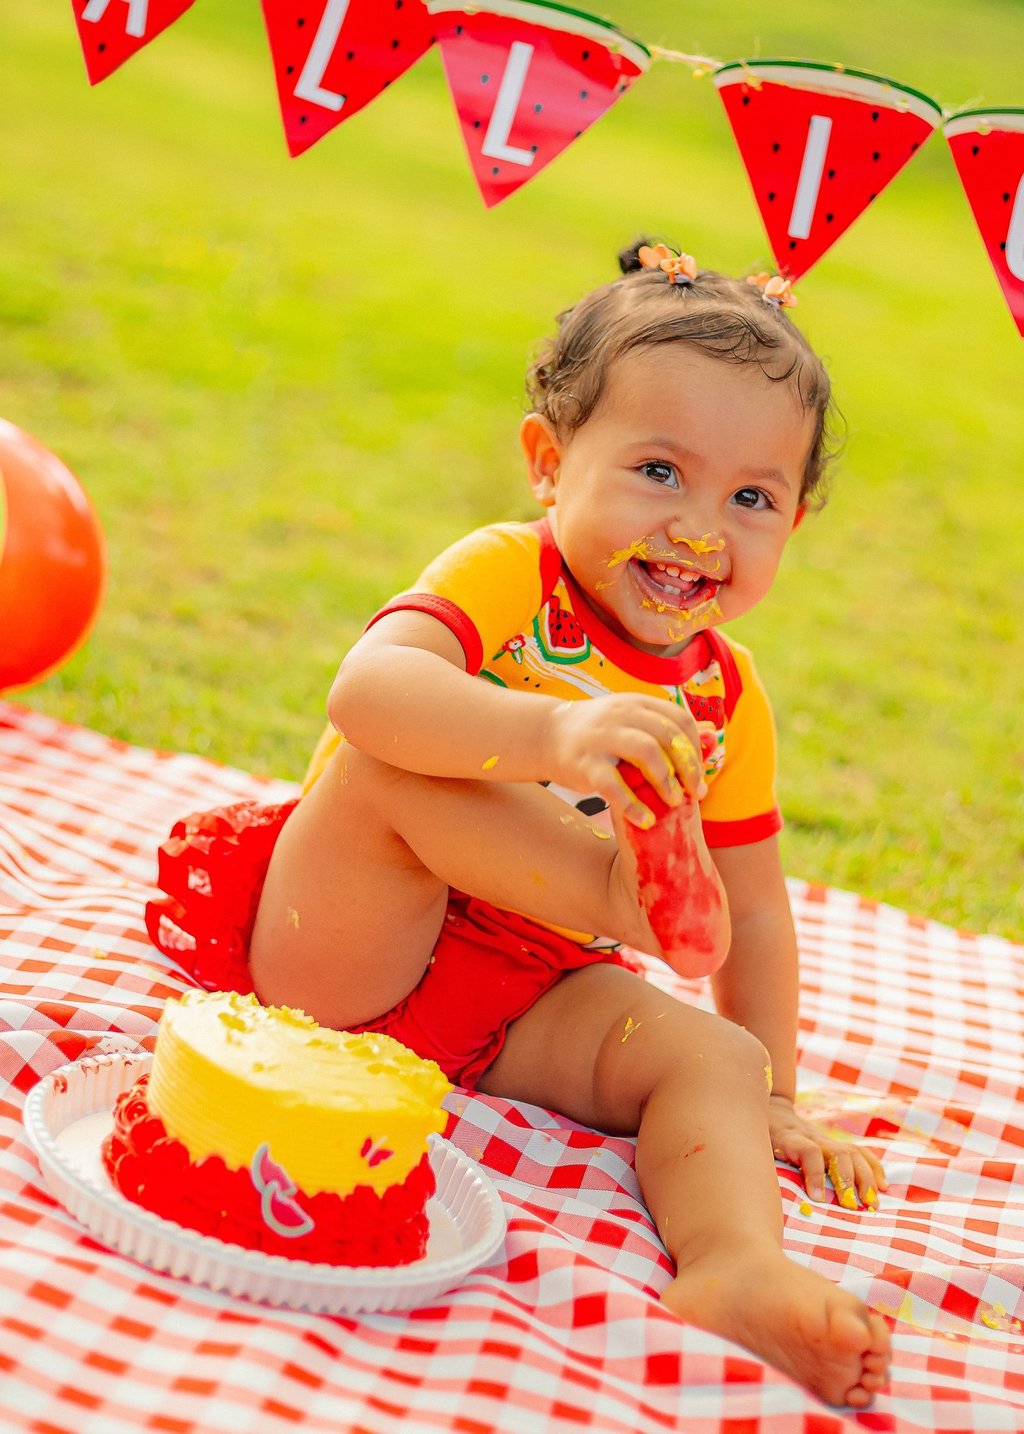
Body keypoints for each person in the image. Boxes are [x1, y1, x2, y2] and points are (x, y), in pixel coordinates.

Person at [150, 241, 891, 1407]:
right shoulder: (510, 573)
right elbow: (365, 693)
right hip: (348, 944)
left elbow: (748, 912)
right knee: (393, 762)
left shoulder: (725, 698)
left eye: (750, 498)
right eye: (658, 470)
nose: (699, 527)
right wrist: (553, 735)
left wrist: (778, 1095)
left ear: (792, 523)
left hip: (524, 998)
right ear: (549, 464)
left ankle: (733, 1267)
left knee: (718, 1059)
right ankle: (616, 892)